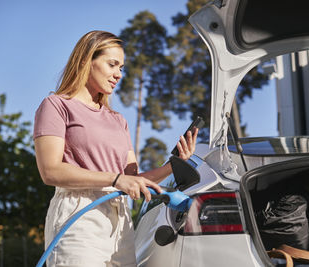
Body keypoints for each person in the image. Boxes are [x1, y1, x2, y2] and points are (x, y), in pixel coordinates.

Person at [33, 30, 198, 267]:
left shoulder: (117, 120)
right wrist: (116, 179)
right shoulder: (57, 106)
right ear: (85, 60)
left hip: (120, 221)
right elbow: (50, 171)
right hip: (79, 215)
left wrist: (173, 166)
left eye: (121, 68)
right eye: (112, 65)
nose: (119, 74)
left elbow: (132, 180)